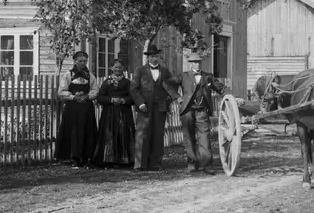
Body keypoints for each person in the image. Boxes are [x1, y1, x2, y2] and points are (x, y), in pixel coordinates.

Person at [129, 42, 180, 171]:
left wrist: (168, 99)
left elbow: (173, 86)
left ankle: (155, 164)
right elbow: (133, 89)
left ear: (159, 57)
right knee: (142, 134)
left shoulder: (165, 71)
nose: (154, 58)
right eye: (151, 56)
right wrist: (140, 103)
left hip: (160, 107)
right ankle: (140, 164)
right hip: (144, 107)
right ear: (148, 58)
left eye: (156, 56)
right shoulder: (140, 71)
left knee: (158, 135)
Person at [177, 51, 227, 174]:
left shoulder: (208, 77)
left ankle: (207, 165)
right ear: (191, 64)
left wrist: (231, 96)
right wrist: (177, 98)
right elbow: (167, 85)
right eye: (195, 62)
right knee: (189, 137)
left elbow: (222, 89)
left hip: (202, 111)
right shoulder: (183, 76)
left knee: (204, 137)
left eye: (199, 62)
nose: (197, 65)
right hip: (187, 111)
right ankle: (192, 163)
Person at [55, 50, 99, 167]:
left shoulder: (90, 76)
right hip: (72, 108)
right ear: (74, 61)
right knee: (73, 131)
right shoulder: (68, 75)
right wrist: (73, 97)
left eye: (85, 61)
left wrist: (88, 96)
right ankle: (72, 157)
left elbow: (95, 90)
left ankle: (86, 157)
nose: (83, 63)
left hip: (86, 108)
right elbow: (61, 92)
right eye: (80, 61)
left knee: (87, 131)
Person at [92, 58, 135, 168]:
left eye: (120, 67)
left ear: (123, 69)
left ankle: (124, 160)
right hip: (109, 114)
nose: (118, 69)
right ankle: (108, 160)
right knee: (109, 135)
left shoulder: (128, 83)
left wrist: (123, 100)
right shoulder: (106, 82)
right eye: (116, 67)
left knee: (123, 134)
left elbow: (133, 98)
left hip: (124, 113)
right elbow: (100, 98)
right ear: (111, 68)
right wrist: (111, 100)